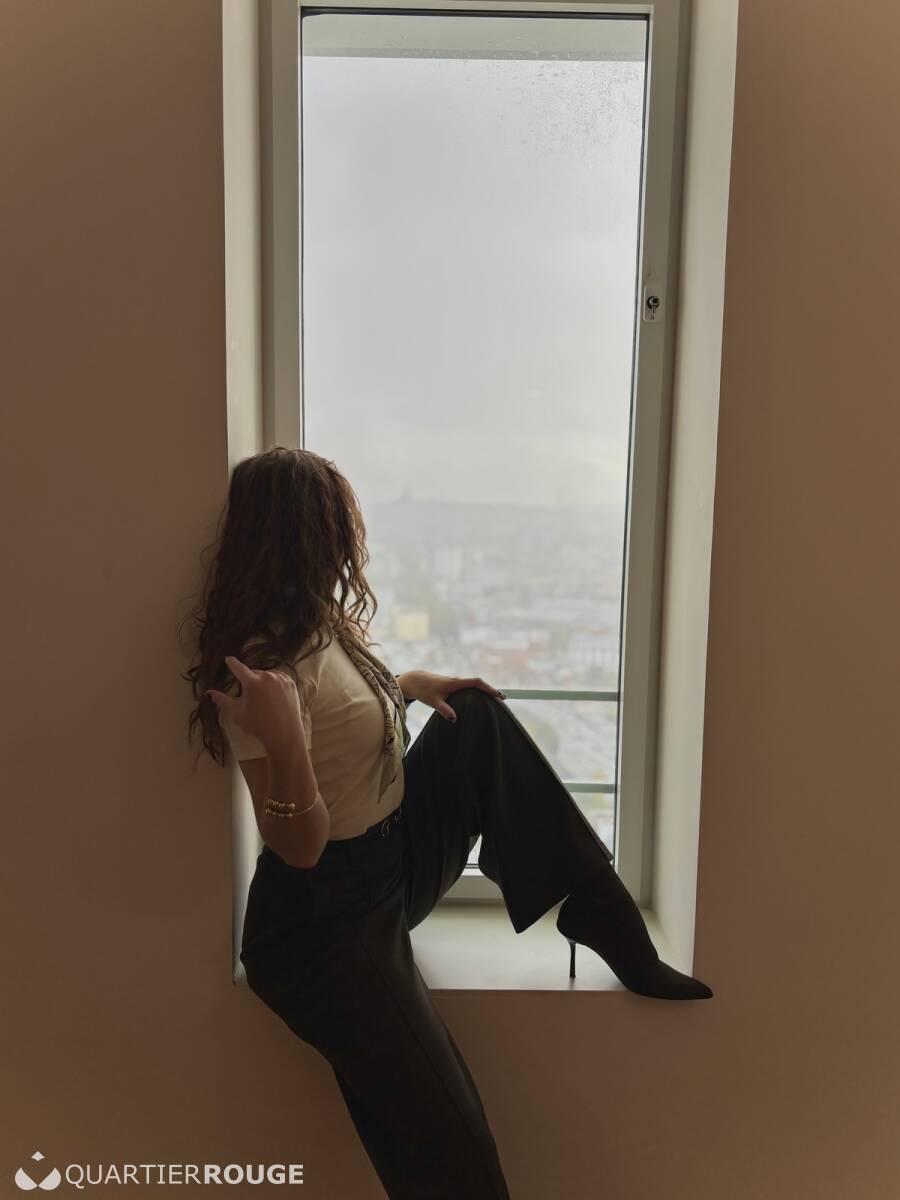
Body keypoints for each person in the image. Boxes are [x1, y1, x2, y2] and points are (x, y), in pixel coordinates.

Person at [183, 446, 713, 1200]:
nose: (350, 540)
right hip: (321, 921)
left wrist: (407, 685)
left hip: (388, 865)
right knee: (449, 1141)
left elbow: (338, 719)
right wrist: (285, 741)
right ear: (301, 535)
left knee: (475, 718)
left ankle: (599, 910)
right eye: (336, 524)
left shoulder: (315, 621)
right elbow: (298, 847)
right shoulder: (255, 670)